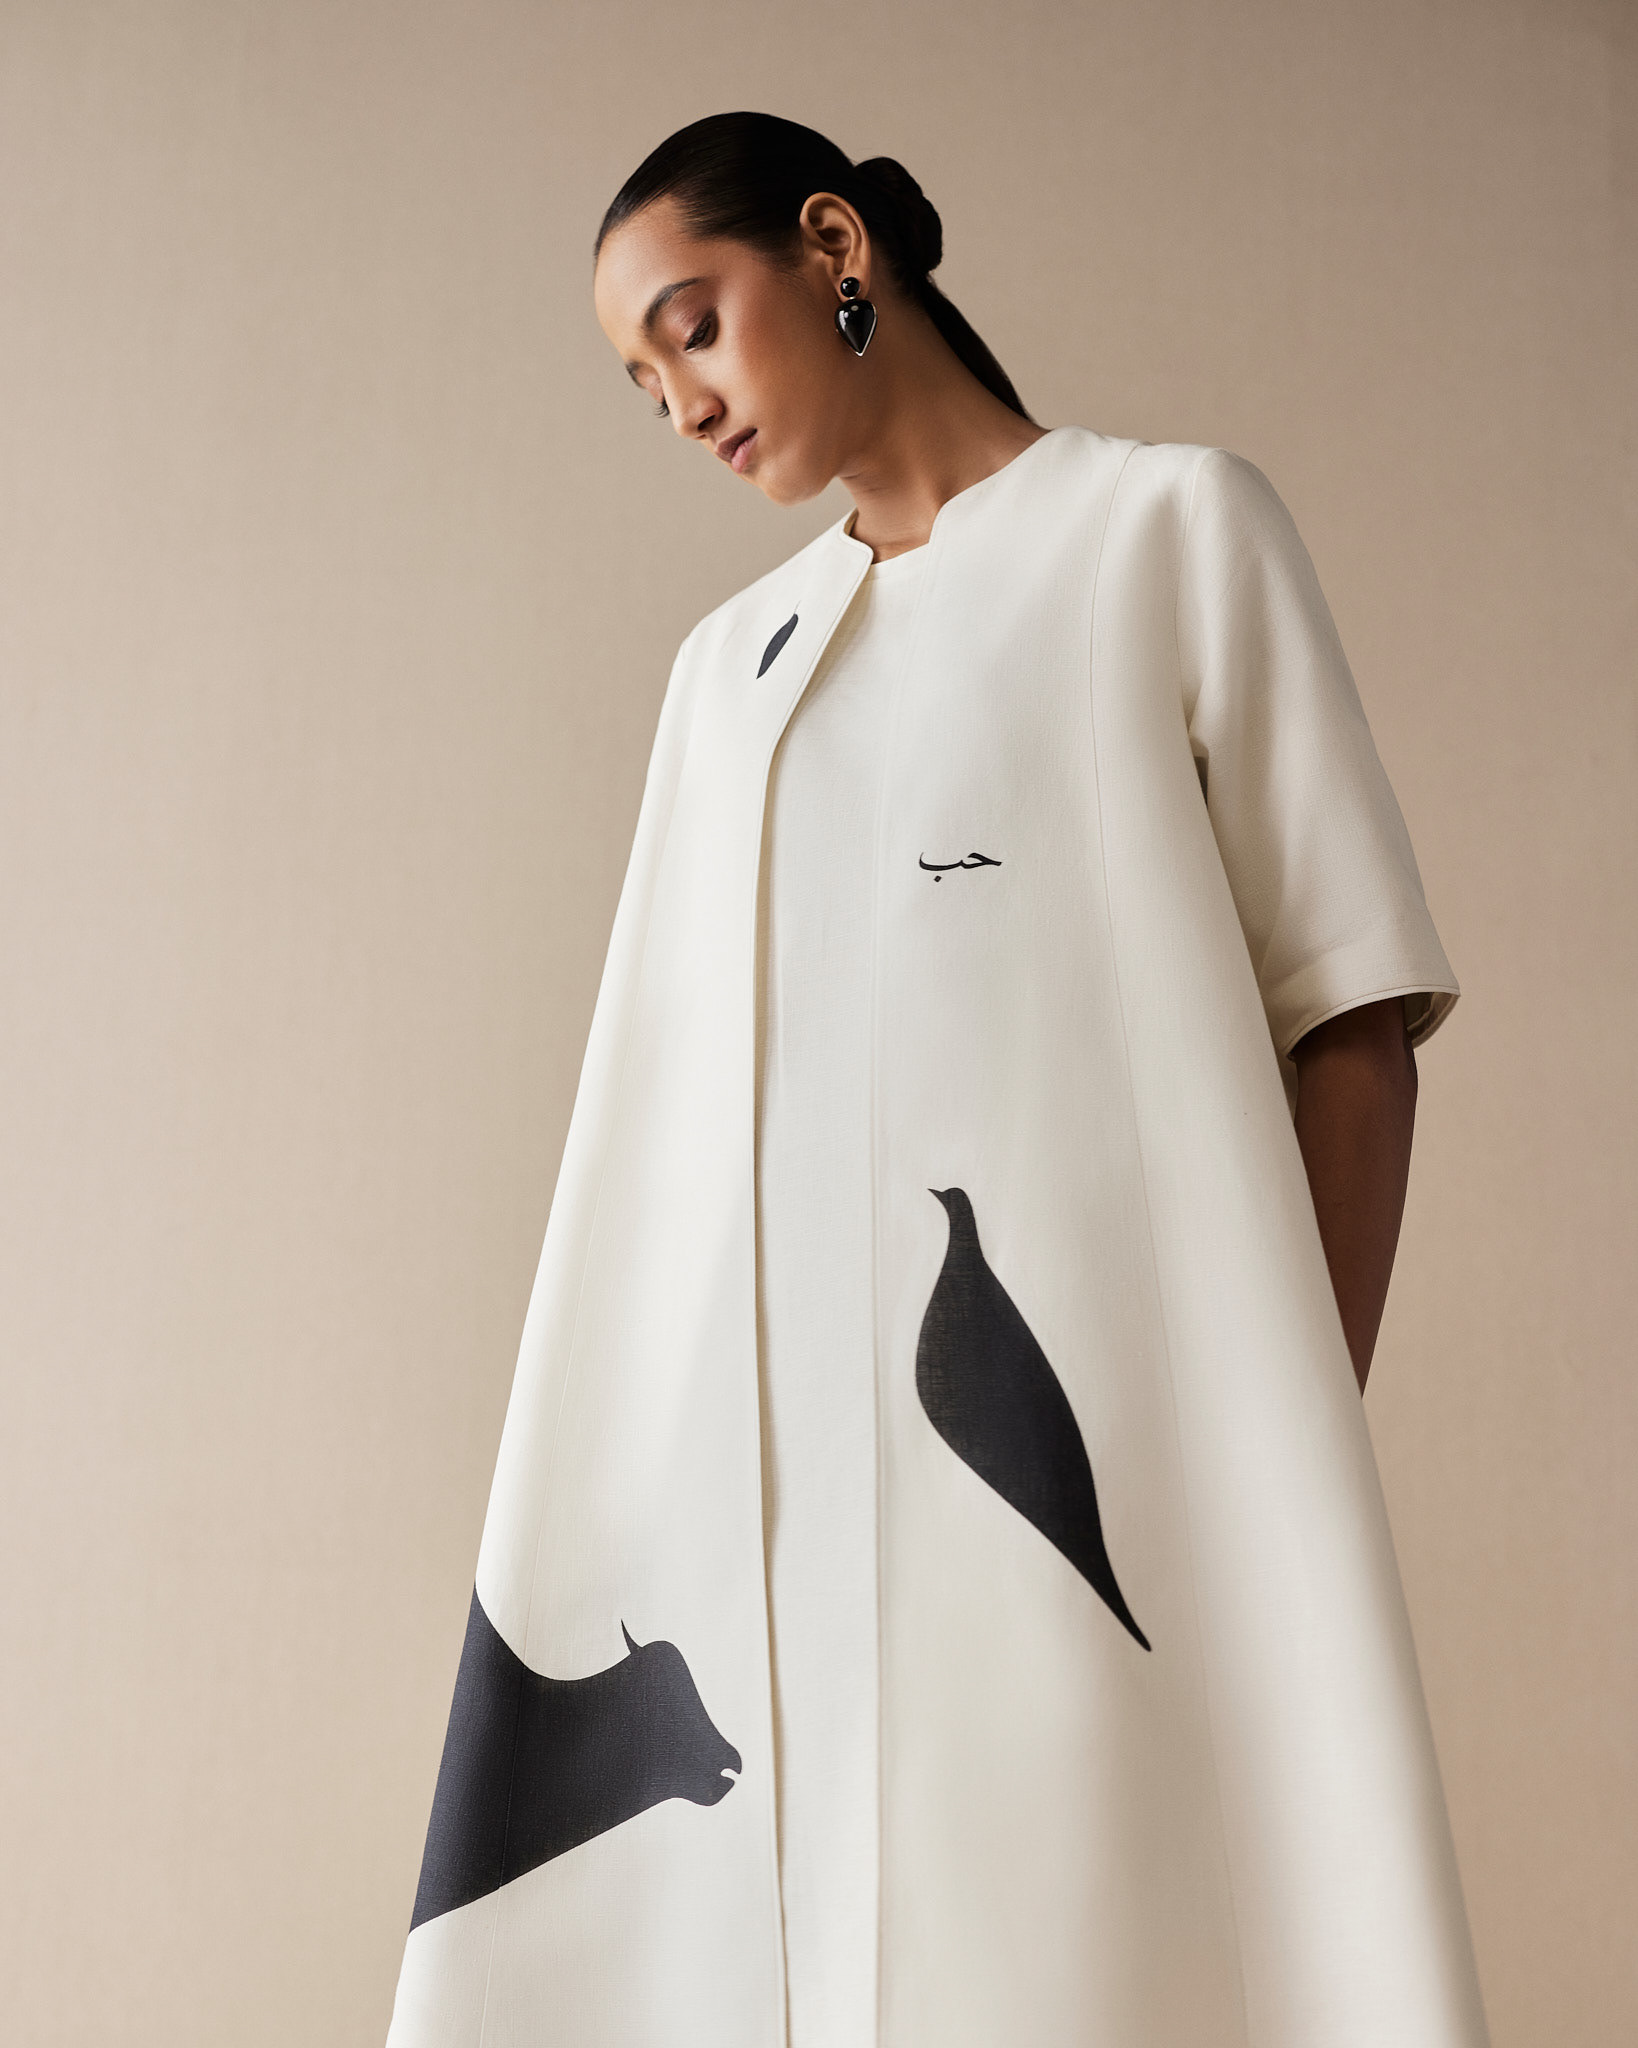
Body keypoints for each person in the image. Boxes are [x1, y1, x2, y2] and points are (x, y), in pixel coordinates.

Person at [386, 112, 1489, 2048]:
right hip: (745, 1509)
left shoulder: (1165, 531)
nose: (681, 404)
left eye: (691, 327)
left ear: (834, 247)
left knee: (1091, 1966)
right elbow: (661, 1133)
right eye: (641, 382)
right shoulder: (726, 673)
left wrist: (1271, 1450)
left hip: (1064, 1480)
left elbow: (1349, 1014)